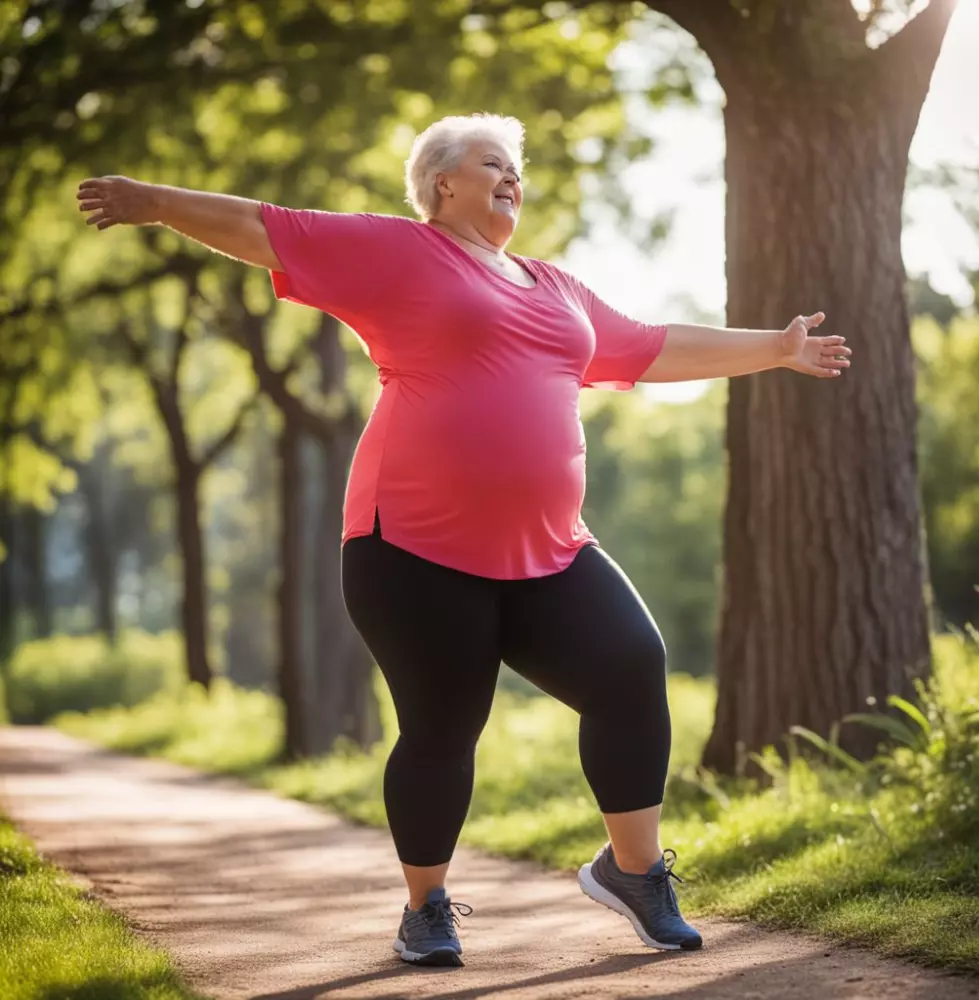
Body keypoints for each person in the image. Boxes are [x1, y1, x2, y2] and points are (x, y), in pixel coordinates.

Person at [77, 112, 850, 969]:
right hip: (411, 546)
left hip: (550, 549)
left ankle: (634, 873)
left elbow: (654, 347)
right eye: (493, 164)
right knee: (445, 726)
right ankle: (425, 906)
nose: (512, 178)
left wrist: (774, 350)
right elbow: (265, 228)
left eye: (518, 168)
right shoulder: (400, 252)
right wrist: (153, 202)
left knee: (632, 662)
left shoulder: (556, 288)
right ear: (443, 183)